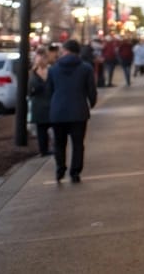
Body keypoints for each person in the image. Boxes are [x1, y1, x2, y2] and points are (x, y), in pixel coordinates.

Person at [48, 39, 97, 184]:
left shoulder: (53, 69)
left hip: (58, 111)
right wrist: (91, 104)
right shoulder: (86, 68)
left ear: (65, 51)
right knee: (78, 144)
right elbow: (91, 90)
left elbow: (49, 90)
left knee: (59, 143)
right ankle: (75, 172)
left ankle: (60, 169)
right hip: (78, 111)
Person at [27, 46, 53, 157]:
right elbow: (29, 90)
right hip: (42, 105)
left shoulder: (50, 71)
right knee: (42, 130)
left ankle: (46, 150)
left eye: (43, 57)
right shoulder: (33, 73)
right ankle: (45, 150)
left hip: (46, 104)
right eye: (39, 57)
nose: (41, 60)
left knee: (46, 129)